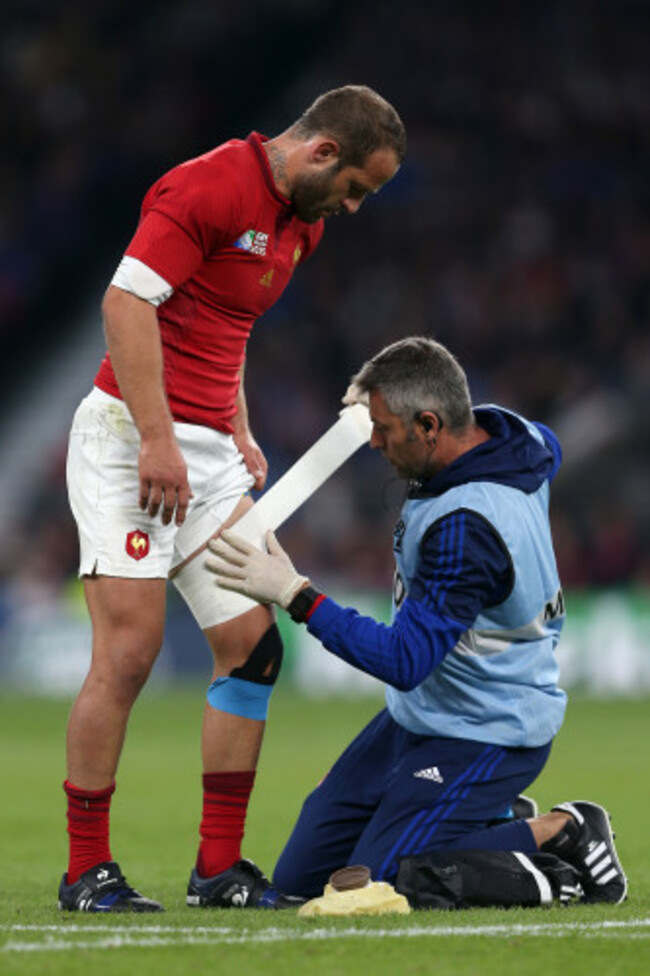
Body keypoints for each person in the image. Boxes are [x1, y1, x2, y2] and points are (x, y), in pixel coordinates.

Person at [60, 85, 405, 913]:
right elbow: (128, 301)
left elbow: (226, 319)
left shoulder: (303, 224)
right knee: (131, 653)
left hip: (208, 455)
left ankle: (218, 870)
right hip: (127, 441)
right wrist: (157, 437)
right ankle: (85, 872)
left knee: (254, 646)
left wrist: (236, 424)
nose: (353, 207)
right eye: (356, 186)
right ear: (323, 152)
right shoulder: (208, 186)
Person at [207, 336, 627, 908]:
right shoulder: (511, 434)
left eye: (382, 428)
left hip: (486, 730)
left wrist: (294, 594)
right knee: (299, 881)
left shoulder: (467, 531)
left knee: (383, 880)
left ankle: (562, 833)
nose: (373, 441)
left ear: (430, 425)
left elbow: (405, 661)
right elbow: (544, 446)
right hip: (424, 717)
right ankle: (480, 817)